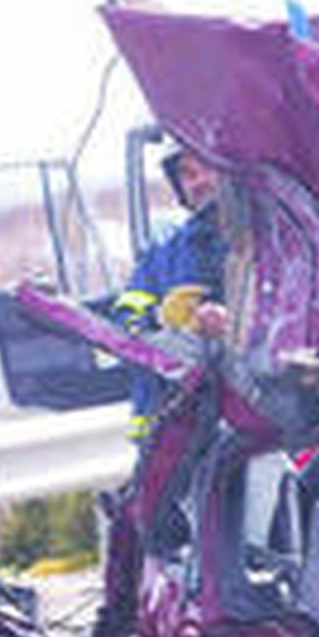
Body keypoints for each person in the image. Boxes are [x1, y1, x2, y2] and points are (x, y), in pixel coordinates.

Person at [116, 146, 230, 437]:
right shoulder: (163, 252)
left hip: (253, 425)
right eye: (188, 174)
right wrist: (157, 322)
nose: (199, 181)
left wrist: (231, 324)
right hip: (175, 434)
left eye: (207, 168)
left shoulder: (272, 239)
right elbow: (127, 318)